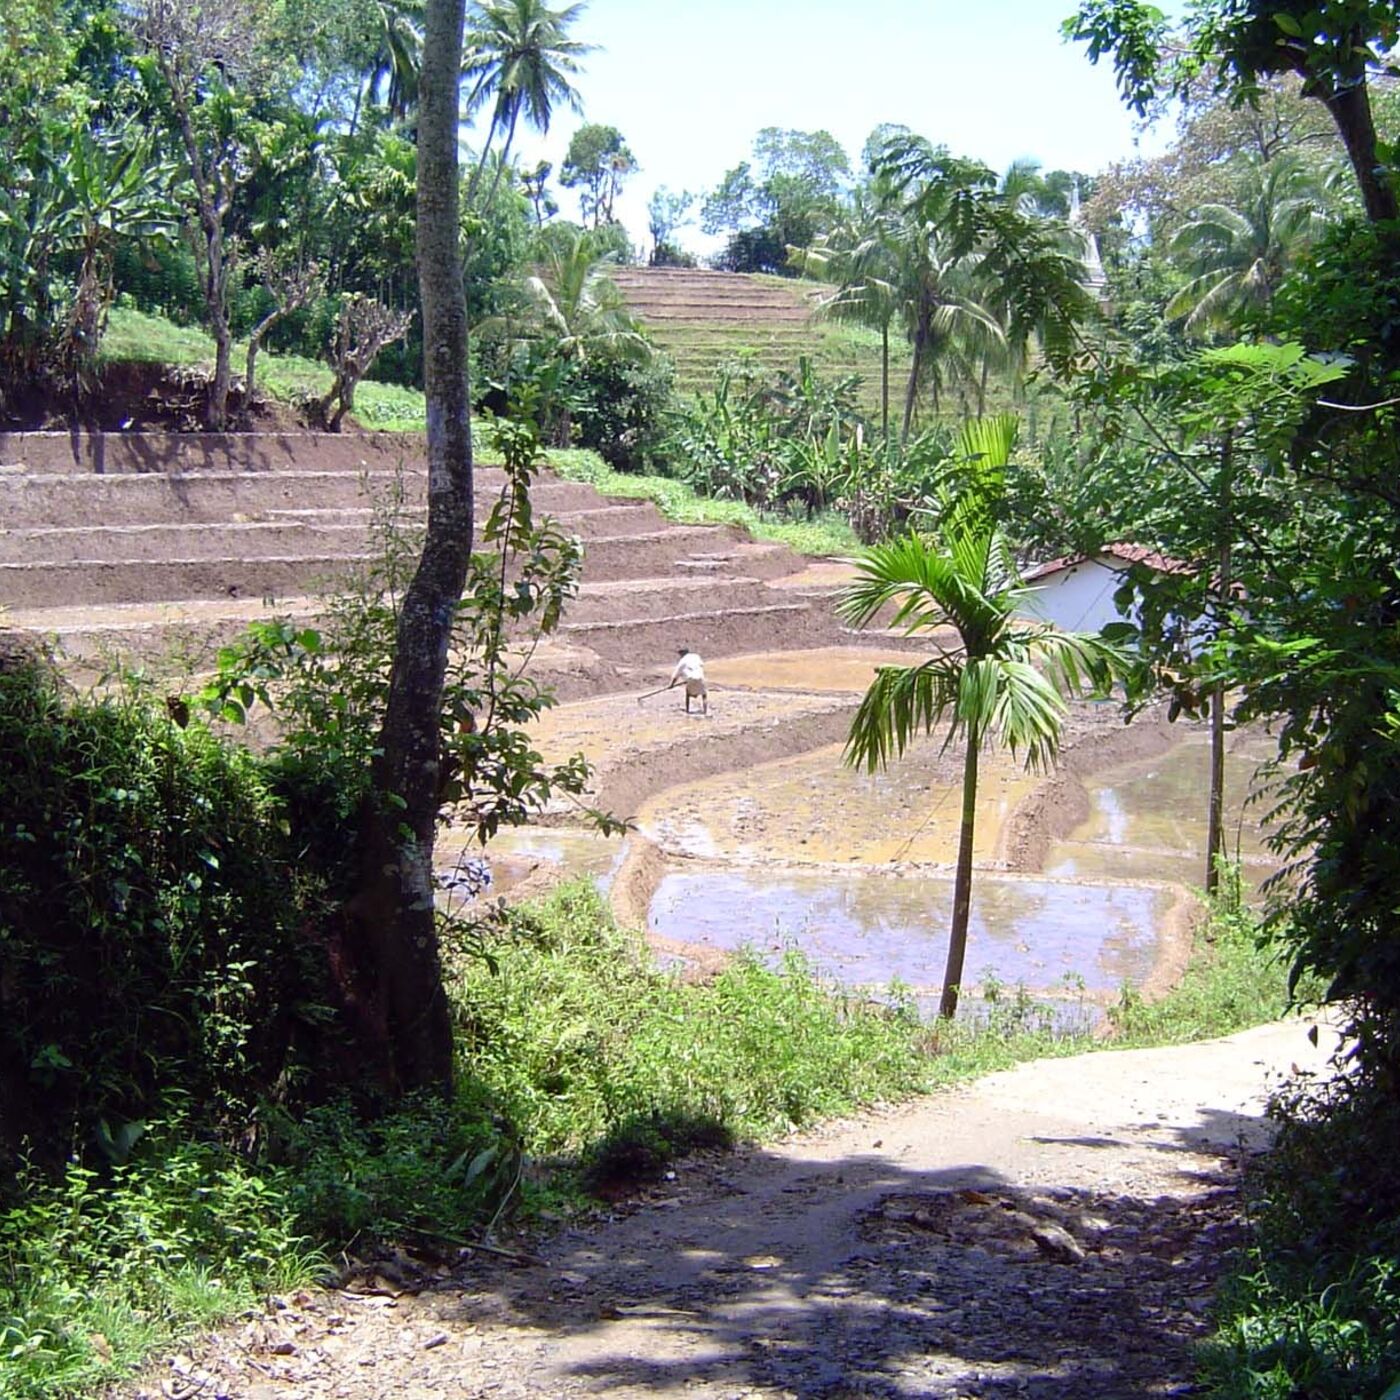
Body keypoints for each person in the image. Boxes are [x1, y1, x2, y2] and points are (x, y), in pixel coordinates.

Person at [668, 646, 708, 716]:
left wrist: (671, 685)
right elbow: (701, 665)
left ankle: (687, 710)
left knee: (688, 694)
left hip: (690, 678)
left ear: (682, 654)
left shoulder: (682, 661)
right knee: (704, 695)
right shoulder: (696, 656)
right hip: (700, 677)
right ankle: (705, 712)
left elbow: (675, 675)